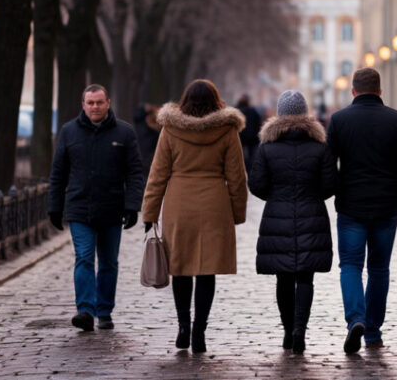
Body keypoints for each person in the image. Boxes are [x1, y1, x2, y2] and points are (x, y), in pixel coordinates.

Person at [141, 79, 248, 354]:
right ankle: (200, 329)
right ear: (216, 101)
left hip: (179, 204)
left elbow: (158, 173)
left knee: (180, 266)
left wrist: (150, 212)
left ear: (185, 100)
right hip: (215, 204)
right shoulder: (226, 130)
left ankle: (183, 326)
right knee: (206, 268)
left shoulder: (171, 129)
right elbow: (236, 177)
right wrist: (237, 213)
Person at [326, 67, 397, 353]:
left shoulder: (339, 120)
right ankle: (373, 330)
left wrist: (336, 189)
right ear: (380, 91)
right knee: (379, 268)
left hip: (351, 205)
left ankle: (356, 318)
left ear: (353, 91)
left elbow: (328, 163)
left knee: (351, 265)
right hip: (385, 204)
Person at [47, 84, 145, 332]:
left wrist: (133, 206)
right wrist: (54, 208)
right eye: (90, 102)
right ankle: (86, 310)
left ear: (108, 103)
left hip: (112, 209)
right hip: (79, 208)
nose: (95, 107)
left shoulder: (124, 133)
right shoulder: (69, 132)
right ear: (83, 104)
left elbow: (135, 172)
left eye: (99, 102)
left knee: (109, 262)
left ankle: (104, 310)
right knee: (84, 258)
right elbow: (58, 173)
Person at [249, 90, 336, 354]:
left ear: (280, 113)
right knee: (306, 278)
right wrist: (311, 196)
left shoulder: (267, 147)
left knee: (283, 278)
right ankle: (300, 329)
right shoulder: (320, 146)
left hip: (278, 216)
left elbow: (256, 184)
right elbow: (330, 184)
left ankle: (288, 331)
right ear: (305, 113)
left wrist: (276, 196)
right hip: (312, 214)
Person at [132, 103, 160, 179]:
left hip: (150, 162)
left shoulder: (159, 131)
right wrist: (144, 109)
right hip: (142, 160)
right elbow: (136, 117)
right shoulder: (142, 124)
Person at [236, 94, 262, 173]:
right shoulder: (253, 111)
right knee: (251, 161)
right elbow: (258, 125)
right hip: (252, 141)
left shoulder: (235, 111)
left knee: (240, 160)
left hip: (239, 140)